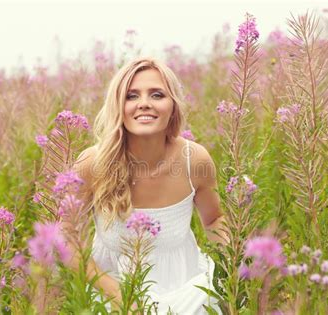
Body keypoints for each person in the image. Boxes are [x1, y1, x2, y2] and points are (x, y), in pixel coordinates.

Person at [69, 57, 228, 314]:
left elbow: (213, 221)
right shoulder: (92, 164)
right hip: (111, 292)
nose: (144, 103)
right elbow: (65, 238)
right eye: (131, 96)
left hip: (189, 291)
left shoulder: (195, 160)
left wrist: (237, 266)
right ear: (118, 107)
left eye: (157, 94)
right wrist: (117, 295)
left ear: (173, 107)